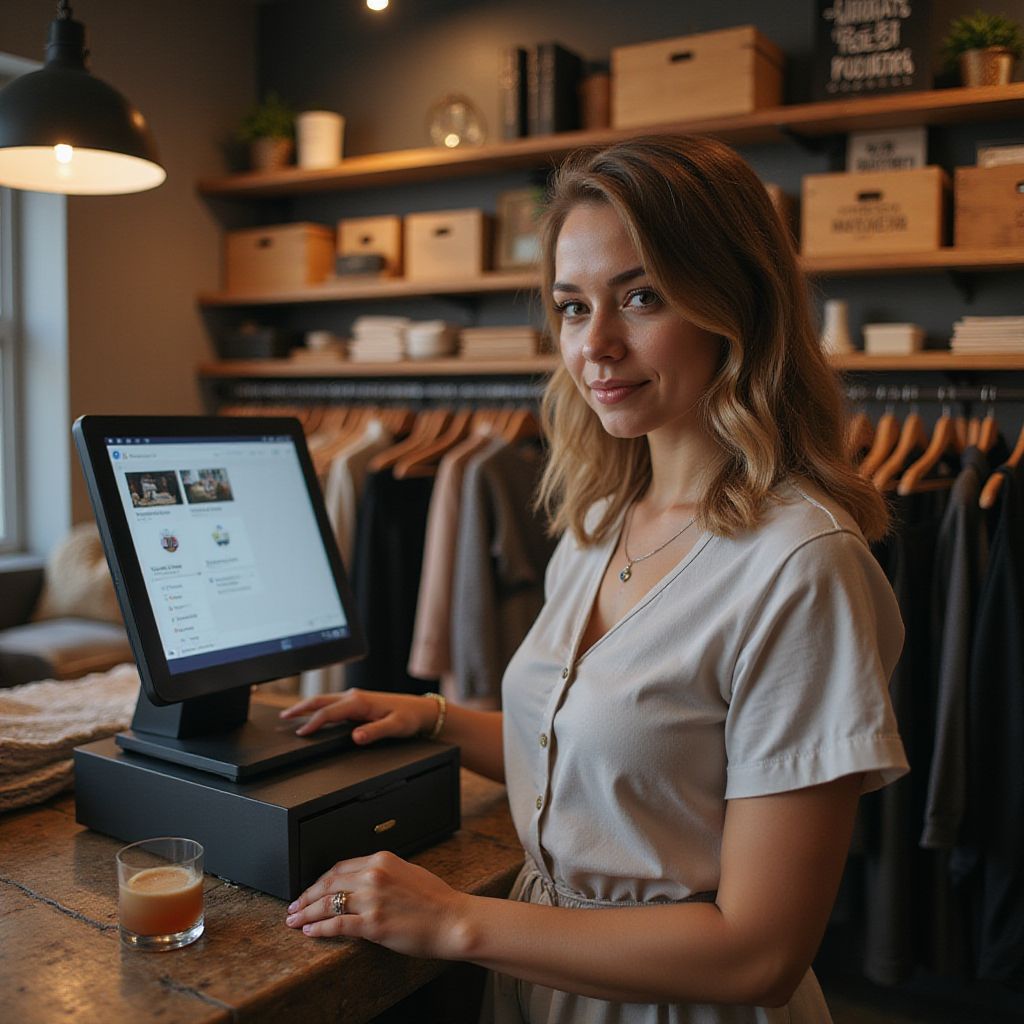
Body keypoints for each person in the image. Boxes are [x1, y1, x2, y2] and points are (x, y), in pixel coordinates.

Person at [279, 134, 909, 1023]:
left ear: (737, 303)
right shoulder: (602, 520)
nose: (597, 346)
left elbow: (758, 954)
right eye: (573, 308)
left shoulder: (802, 569)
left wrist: (456, 919)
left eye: (641, 297)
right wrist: (432, 719)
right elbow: (613, 758)